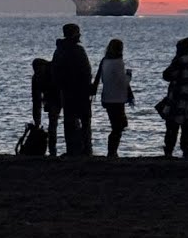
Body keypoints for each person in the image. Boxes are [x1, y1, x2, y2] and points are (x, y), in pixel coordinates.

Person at [52, 23, 93, 156]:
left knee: (69, 121)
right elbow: (87, 71)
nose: (79, 35)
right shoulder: (78, 50)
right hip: (79, 91)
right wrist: (88, 86)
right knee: (85, 121)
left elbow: (55, 72)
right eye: (77, 32)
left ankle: (72, 149)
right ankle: (86, 149)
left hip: (66, 91)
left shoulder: (59, 51)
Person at [91, 38, 133, 158]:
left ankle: (112, 151)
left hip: (107, 97)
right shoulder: (118, 62)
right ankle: (112, 151)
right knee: (119, 125)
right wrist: (129, 75)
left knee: (117, 124)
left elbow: (100, 78)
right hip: (117, 98)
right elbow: (123, 81)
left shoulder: (105, 60)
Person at [160, 37, 188, 158]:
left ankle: (169, 150)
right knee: (186, 127)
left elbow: (166, 75)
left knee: (172, 126)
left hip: (176, 98)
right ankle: (186, 151)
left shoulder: (179, 61)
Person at [30, 58, 61, 157]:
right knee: (52, 123)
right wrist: (37, 122)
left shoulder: (55, 71)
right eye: (36, 70)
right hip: (51, 99)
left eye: (39, 69)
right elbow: (36, 101)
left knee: (69, 122)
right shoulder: (36, 79)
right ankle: (52, 149)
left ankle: (55, 148)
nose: (38, 72)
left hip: (61, 95)